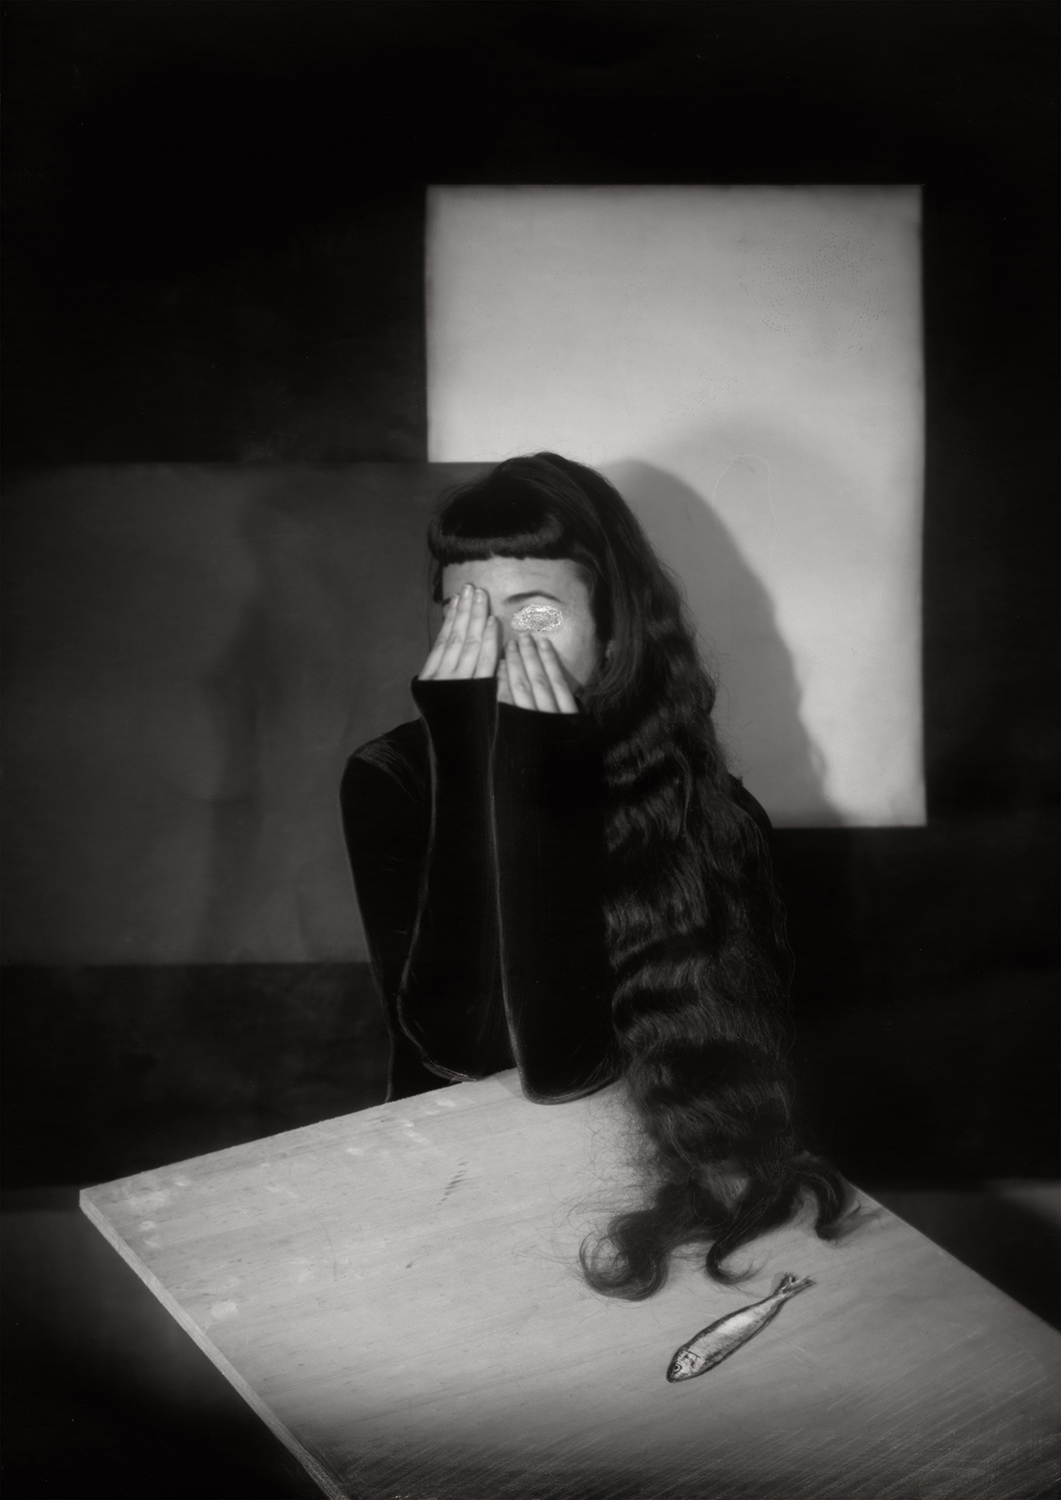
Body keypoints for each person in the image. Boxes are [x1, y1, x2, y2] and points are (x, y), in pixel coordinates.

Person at [341, 452, 851, 1299]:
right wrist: (478, 764)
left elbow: (575, 1068)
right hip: (450, 1182)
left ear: (612, 629)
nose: (498, 648)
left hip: (638, 1187)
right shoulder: (393, 778)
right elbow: (466, 1052)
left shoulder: (708, 804)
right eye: (466, 615)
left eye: (537, 614)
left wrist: (533, 778)